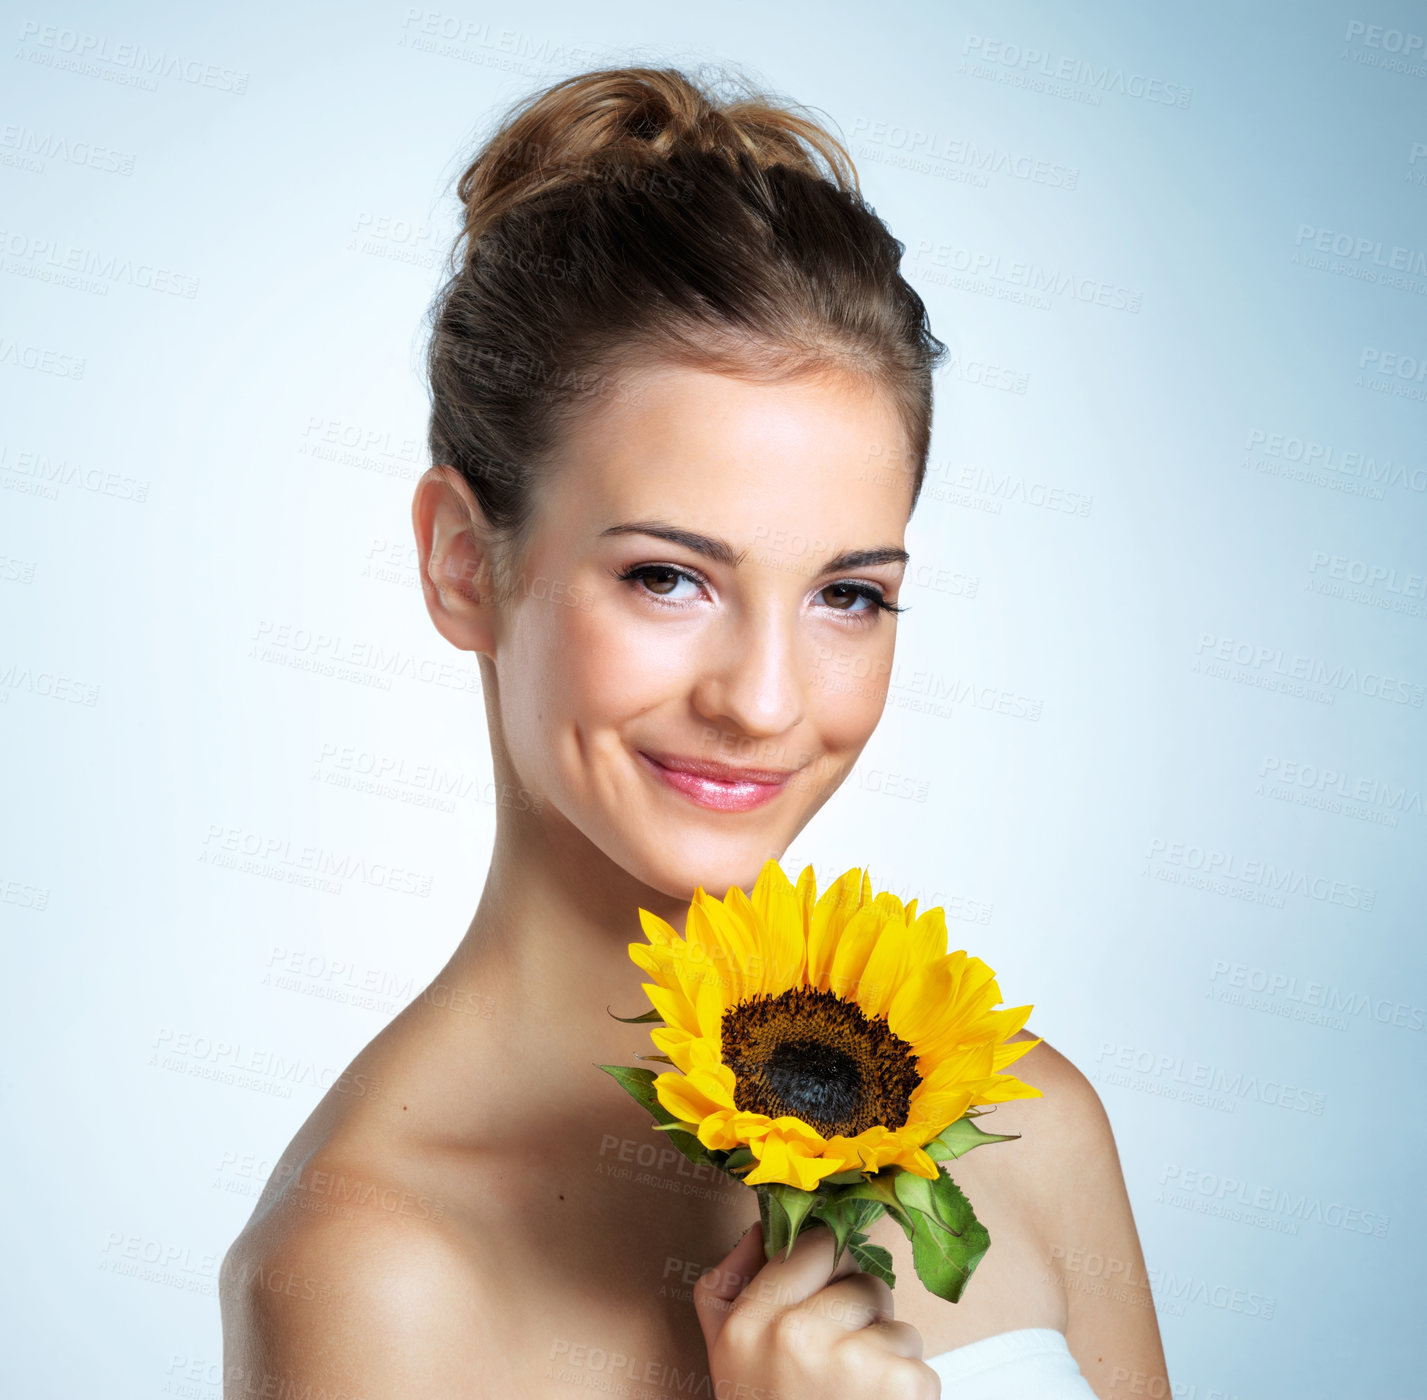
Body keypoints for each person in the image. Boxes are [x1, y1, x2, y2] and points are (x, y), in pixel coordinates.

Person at [219, 64, 1170, 1399]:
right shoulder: (367, 1276)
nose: (765, 702)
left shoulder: (1025, 1125)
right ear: (458, 562)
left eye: (847, 594)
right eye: (669, 577)